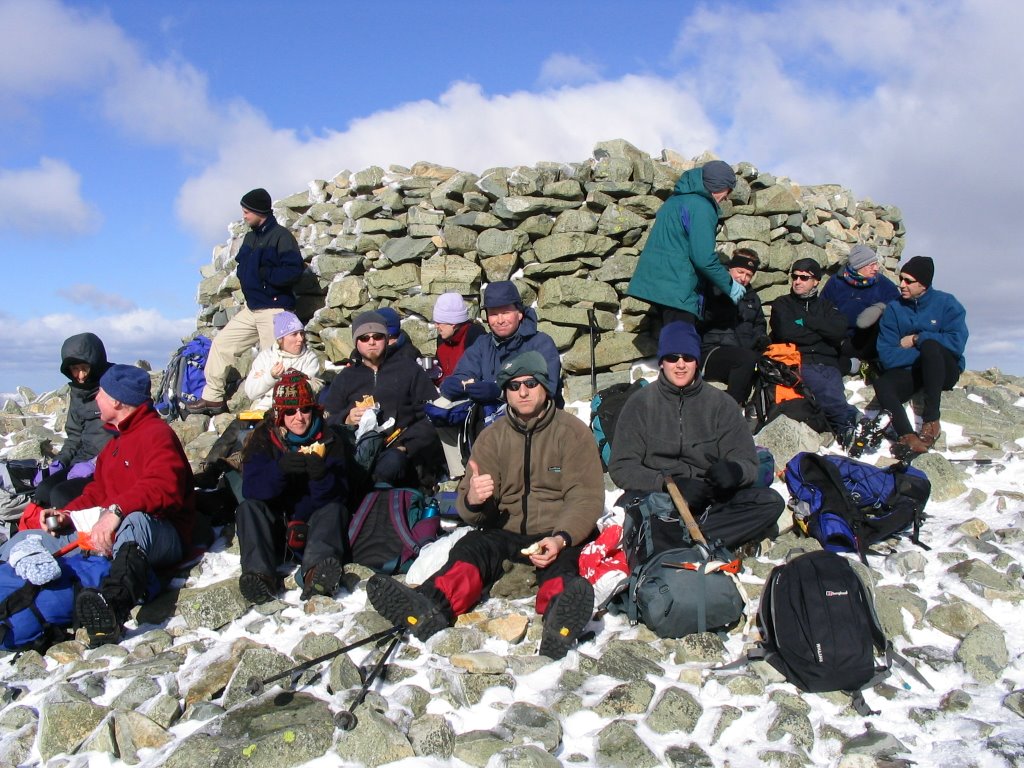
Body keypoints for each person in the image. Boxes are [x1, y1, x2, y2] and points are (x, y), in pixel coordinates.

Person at [367, 351, 604, 659]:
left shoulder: (572, 433)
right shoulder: (492, 437)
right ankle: (430, 605)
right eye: (514, 385)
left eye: (531, 383)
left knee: (563, 567)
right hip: (504, 530)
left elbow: (585, 497)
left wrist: (560, 538)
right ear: (505, 392)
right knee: (469, 552)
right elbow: (469, 505)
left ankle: (559, 619)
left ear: (544, 386)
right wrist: (473, 499)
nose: (522, 391)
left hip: (555, 531)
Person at [2, 364, 195, 646]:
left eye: (101, 393)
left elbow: (163, 486)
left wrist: (115, 512)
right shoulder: (115, 444)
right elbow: (97, 492)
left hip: (163, 533)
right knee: (30, 537)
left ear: (117, 400)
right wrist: (66, 515)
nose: (96, 399)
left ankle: (112, 609)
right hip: (113, 529)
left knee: (135, 520)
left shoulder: (156, 434)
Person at [608, 322, 783, 551]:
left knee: (770, 502)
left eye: (688, 358)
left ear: (697, 361)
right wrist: (667, 484)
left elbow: (748, 461)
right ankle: (703, 541)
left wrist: (735, 472)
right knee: (635, 509)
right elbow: (622, 467)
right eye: (672, 357)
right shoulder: (641, 404)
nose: (680, 365)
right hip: (661, 498)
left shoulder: (721, 404)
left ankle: (686, 541)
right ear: (661, 362)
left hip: (710, 499)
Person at [188, 188, 305, 415]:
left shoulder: (281, 236)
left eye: (246, 211)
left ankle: (274, 409)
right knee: (222, 344)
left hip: (274, 308)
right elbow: (243, 266)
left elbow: (294, 270)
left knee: (272, 359)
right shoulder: (251, 237)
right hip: (252, 308)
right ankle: (213, 398)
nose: (243, 215)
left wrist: (267, 280)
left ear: (259, 211)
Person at [235, 371, 348, 604]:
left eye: (305, 409)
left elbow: (342, 494)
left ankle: (316, 575)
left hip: (315, 529)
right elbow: (251, 489)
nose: (299, 418)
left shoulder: (330, 440)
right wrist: (280, 470)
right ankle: (260, 576)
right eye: (290, 411)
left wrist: (320, 476)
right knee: (249, 508)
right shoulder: (263, 439)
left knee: (334, 510)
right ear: (279, 415)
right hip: (277, 530)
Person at [322, 311, 442, 490]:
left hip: (400, 452)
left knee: (390, 464)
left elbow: (433, 414)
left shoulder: (409, 369)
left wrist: (407, 446)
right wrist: (346, 419)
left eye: (377, 336)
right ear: (356, 342)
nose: (371, 341)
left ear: (386, 339)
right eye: (364, 338)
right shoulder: (346, 377)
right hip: (356, 451)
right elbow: (326, 419)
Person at [627, 159, 747, 326]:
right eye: (728, 190)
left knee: (671, 341)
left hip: (660, 285)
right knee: (680, 346)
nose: (726, 198)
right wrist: (730, 285)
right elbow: (703, 258)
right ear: (717, 185)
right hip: (679, 289)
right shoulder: (702, 207)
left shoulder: (674, 201)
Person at [874, 256, 968, 455]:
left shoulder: (947, 303)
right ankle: (907, 436)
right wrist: (922, 359)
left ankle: (931, 421)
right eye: (901, 279)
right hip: (913, 372)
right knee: (882, 384)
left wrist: (918, 339)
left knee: (931, 346)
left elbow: (956, 344)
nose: (902, 285)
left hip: (944, 370)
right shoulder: (894, 309)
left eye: (908, 281)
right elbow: (888, 356)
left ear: (923, 284)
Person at [770, 257, 859, 440]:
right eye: (795, 276)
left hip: (826, 362)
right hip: (797, 359)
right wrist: (822, 334)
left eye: (804, 278)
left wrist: (807, 322)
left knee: (829, 389)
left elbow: (839, 331)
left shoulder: (826, 306)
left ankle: (853, 424)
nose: (797, 281)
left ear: (816, 281)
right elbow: (785, 331)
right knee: (825, 390)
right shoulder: (782, 304)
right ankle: (851, 422)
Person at [439, 280, 562, 408]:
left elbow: (548, 388)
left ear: (519, 313)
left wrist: (502, 392)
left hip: (537, 422)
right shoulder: (482, 345)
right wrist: (454, 383)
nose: (500, 320)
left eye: (505, 313)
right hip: (490, 422)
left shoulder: (541, 344)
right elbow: (465, 372)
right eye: (493, 314)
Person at [32, 333, 113, 510]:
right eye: (75, 369)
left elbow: (125, 438)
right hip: (81, 462)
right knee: (43, 491)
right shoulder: (78, 391)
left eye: (85, 368)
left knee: (61, 496)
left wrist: (95, 463)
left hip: (108, 466)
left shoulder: (114, 386)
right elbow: (74, 436)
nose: (81, 375)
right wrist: (59, 462)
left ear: (96, 363)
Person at [697, 248, 770, 404]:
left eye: (748, 275)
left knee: (766, 365)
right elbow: (702, 319)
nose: (743, 278)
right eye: (740, 272)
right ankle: (732, 409)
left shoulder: (752, 298)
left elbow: (759, 325)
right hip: (712, 350)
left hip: (743, 351)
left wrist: (761, 339)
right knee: (746, 359)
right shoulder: (714, 289)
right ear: (730, 268)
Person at [820, 244, 900, 373]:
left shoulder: (884, 285)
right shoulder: (835, 283)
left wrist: (880, 308)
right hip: (841, 340)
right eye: (871, 265)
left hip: (869, 341)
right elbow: (822, 308)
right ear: (858, 267)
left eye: (876, 263)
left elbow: (898, 307)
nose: (876, 268)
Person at [243, 311, 324, 411]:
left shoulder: (309, 358)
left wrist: (268, 385)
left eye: (301, 333)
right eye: (294, 334)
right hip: (263, 412)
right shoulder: (265, 357)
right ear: (281, 339)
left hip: (294, 413)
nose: (300, 338)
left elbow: (304, 392)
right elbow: (251, 393)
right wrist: (271, 376)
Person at [432, 292, 485, 387]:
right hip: (448, 393)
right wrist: (436, 374)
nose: (436, 326)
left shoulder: (474, 336)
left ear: (452, 322)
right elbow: (442, 377)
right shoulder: (442, 340)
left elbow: (476, 375)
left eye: (439, 322)